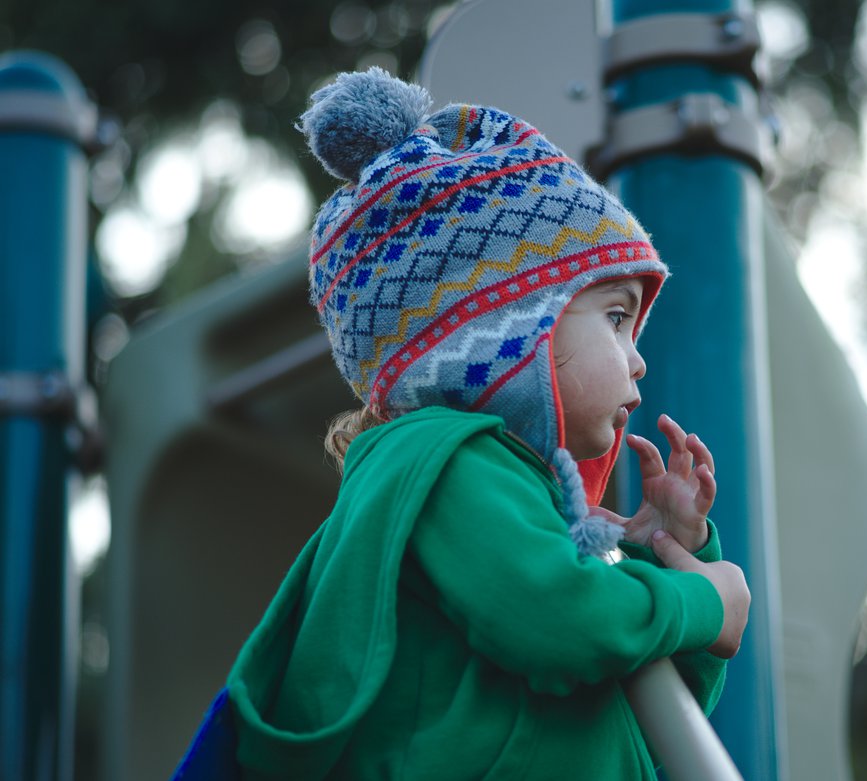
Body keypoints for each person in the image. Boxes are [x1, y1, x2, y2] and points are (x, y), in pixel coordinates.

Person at [223, 68, 750, 780]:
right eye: (618, 318)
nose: (639, 360)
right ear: (507, 326)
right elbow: (560, 622)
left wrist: (665, 550)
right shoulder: (448, 464)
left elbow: (643, 715)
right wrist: (700, 601)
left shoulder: (527, 502)